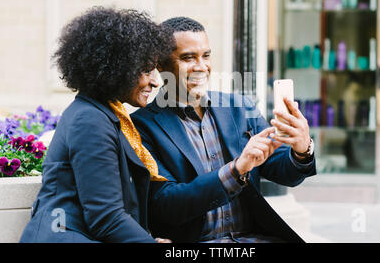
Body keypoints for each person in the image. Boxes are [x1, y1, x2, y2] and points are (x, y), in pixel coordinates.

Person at [131, 17, 316, 243]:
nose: (201, 66)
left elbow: (284, 173)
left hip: (254, 239)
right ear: (161, 64)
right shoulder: (142, 126)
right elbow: (166, 204)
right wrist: (237, 170)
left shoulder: (239, 108)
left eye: (206, 56)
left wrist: (301, 150)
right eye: (188, 58)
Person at [19, 7, 173, 243]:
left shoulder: (103, 113)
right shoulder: (90, 120)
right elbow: (106, 218)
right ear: (117, 68)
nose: (155, 81)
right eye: (145, 69)